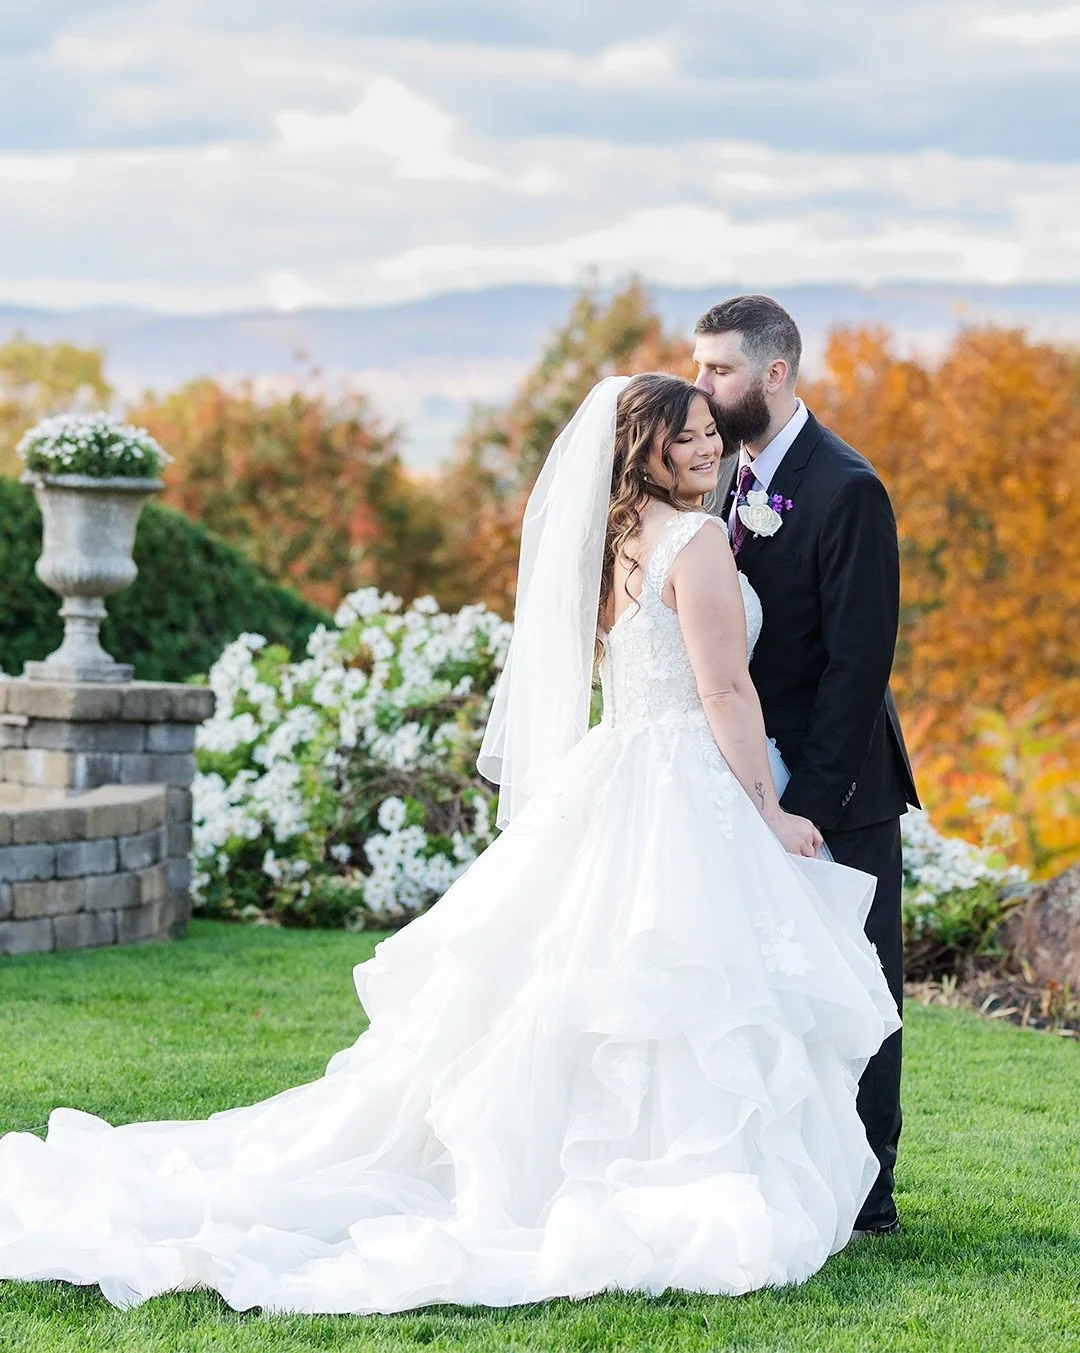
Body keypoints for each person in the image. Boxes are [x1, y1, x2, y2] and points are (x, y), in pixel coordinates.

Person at [0, 374, 899, 1315]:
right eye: (687, 438)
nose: (708, 448)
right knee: (684, 984)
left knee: (600, 980)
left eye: (712, 432)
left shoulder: (608, 542)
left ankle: (584, 1162)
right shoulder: (700, 539)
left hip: (616, 769)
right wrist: (769, 812)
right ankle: (673, 1169)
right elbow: (725, 694)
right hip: (681, 777)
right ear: (646, 450)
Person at [692, 295, 920, 1235]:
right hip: (754, 780)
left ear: (775, 373)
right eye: (699, 367)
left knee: (861, 987)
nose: (701, 387)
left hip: (840, 785)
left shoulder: (847, 487)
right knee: (775, 984)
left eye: (719, 370)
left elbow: (862, 662)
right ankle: (786, 1171)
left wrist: (810, 802)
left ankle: (869, 1192)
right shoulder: (722, 478)